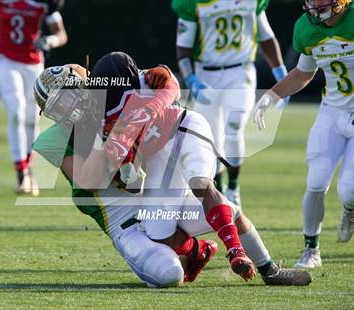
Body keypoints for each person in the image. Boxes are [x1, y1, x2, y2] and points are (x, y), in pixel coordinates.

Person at [34, 57, 312, 286]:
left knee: (228, 210)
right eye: (57, 108)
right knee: (170, 275)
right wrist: (109, 135)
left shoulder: (108, 90)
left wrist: (140, 116)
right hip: (124, 224)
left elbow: (165, 82)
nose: (66, 110)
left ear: (81, 86)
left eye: (66, 99)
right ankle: (195, 250)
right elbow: (91, 179)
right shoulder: (57, 138)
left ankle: (268, 268)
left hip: (152, 190)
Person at [253, 0, 354, 268]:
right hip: (332, 112)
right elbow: (303, 73)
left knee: (348, 190)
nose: (315, 4)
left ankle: (351, 208)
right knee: (316, 180)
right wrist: (271, 96)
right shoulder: (306, 28)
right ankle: (311, 250)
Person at [172, 0, 289, 206]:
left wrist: (281, 74)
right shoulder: (194, 4)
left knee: (233, 128)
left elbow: (266, 37)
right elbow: (183, 47)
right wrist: (190, 78)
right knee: (212, 140)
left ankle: (234, 187)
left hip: (240, 73)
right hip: (206, 75)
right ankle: (219, 191)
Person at [0, 0, 68, 195]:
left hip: (33, 63)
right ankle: (21, 174)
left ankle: (29, 170)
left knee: (33, 116)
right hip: (5, 60)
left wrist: (49, 41)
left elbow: (61, 33)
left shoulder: (43, 2)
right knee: (16, 109)